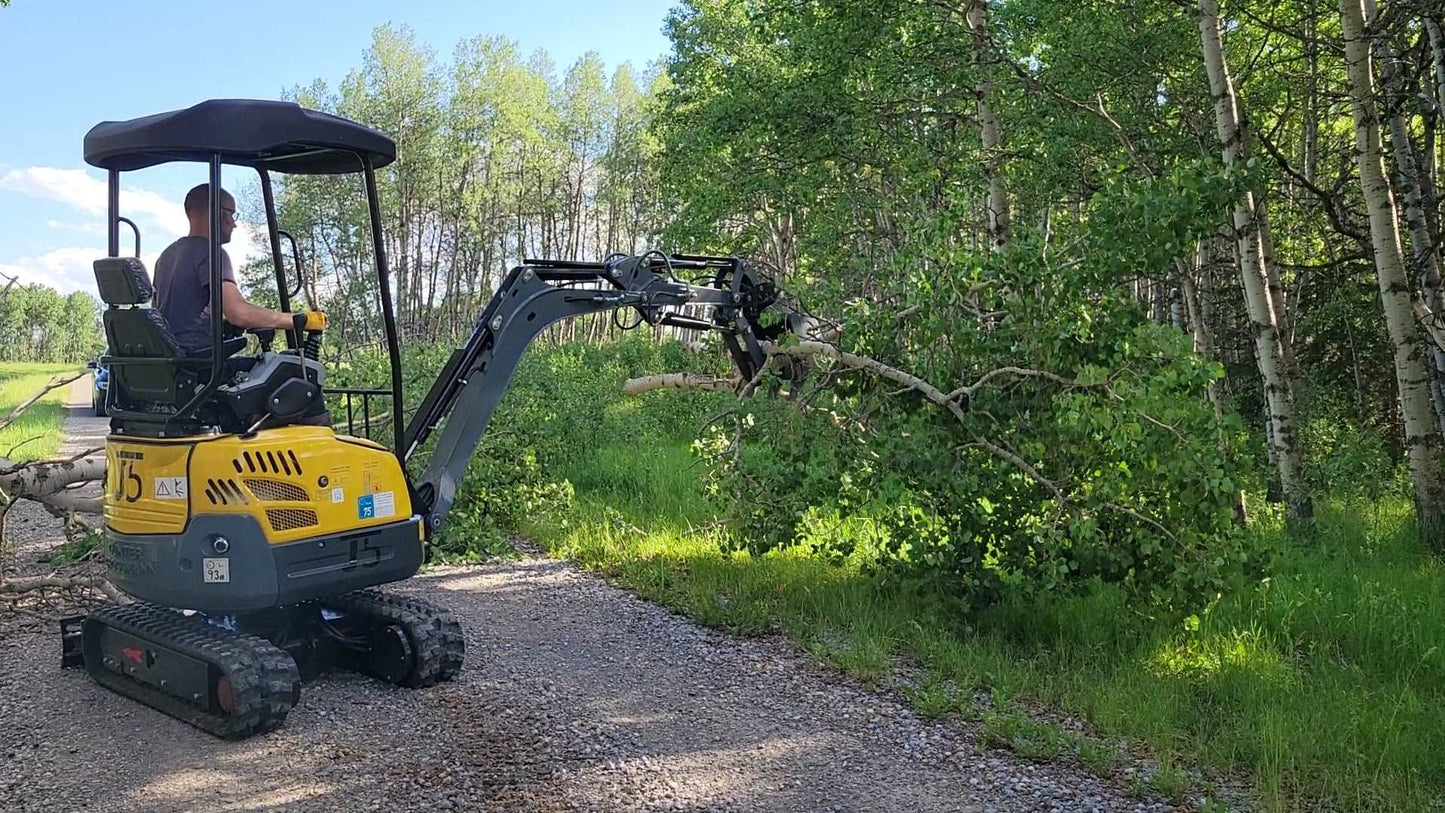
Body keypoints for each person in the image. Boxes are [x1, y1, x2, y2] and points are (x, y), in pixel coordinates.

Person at [152, 183, 316, 354]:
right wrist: (298, 320)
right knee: (287, 368)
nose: (234, 224)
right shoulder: (211, 253)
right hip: (200, 363)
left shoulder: (166, 257)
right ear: (218, 213)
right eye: (231, 214)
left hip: (171, 363)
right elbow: (238, 313)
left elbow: (172, 318)